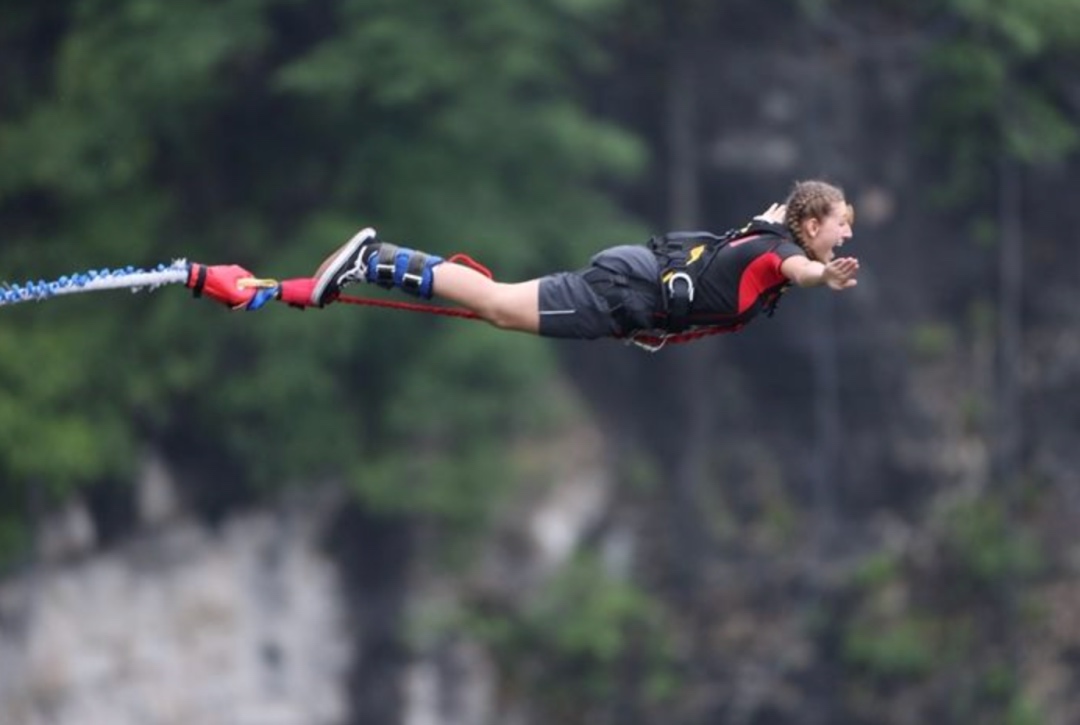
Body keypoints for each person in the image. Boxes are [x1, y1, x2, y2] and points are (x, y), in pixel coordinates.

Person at [298, 179, 857, 346]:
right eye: (841, 224)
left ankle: (375, 261)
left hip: (631, 281)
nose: (848, 234)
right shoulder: (780, 254)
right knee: (499, 305)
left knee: (500, 306)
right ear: (811, 227)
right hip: (625, 292)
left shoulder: (767, 231)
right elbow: (798, 270)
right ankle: (373, 259)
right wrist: (822, 276)